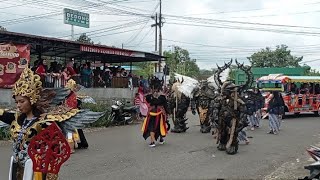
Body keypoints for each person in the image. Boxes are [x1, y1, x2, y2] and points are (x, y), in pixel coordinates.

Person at [0, 68, 104, 179]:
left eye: (22, 101)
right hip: (17, 165)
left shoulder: (44, 122)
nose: (18, 105)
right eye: (16, 102)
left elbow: (55, 147)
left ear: (32, 100)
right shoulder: (17, 118)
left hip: (36, 168)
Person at [141, 81, 169, 147]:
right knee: (160, 126)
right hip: (159, 114)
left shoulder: (149, 96)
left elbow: (146, 101)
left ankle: (153, 142)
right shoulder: (162, 96)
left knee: (152, 127)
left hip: (152, 113)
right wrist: (167, 113)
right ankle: (160, 139)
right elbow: (165, 105)